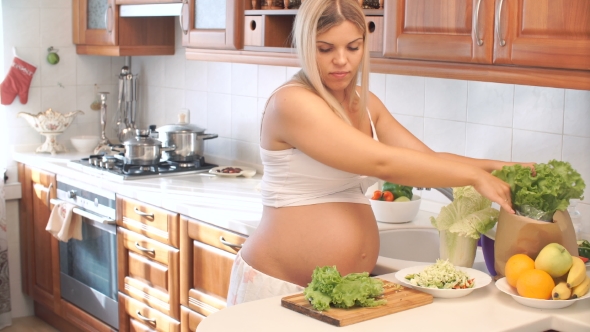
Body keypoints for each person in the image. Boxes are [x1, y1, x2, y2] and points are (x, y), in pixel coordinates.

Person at [227, 0, 535, 306]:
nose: (341, 60)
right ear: (307, 46)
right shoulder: (292, 103)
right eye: (325, 49)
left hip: (343, 295)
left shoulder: (366, 103)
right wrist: (473, 177)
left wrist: (502, 167)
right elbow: (382, 161)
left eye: (353, 47)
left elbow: (427, 159)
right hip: (279, 289)